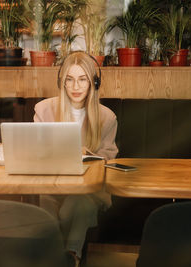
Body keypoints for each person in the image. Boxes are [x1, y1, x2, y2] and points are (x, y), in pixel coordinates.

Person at [33, 51, 118, 266]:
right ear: (62, 82)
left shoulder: (107, 117)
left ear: (93, 83)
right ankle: (55, 257)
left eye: (83, 80)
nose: (76, 87)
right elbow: (35, 152)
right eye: (69, 80)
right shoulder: (44, 110)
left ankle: (71, 256)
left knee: (78, 203)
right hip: (52, 186)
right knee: (47, 205)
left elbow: (109, 159)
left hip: (87, 190)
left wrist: (87, 155)